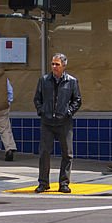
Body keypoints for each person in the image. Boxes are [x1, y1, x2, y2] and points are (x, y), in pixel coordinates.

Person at [33, 53, 82, 193]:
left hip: (64, 122)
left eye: (57, 64)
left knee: (67, 154)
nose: (54, 67)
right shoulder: (44, 80)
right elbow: (37, 98)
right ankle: (43, 183)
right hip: (47, 121)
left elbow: (77, 100)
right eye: (52, 64)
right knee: (44, 153)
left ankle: (64, 183)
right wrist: (41, 111)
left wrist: (68, 112)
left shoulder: (71, 81)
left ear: (64, 66)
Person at [0, 65, 17, 161]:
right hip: (3, 107)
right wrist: (8, 102)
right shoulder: (3, 76)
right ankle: (9, 148)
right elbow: (10, 91)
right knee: (5, 130)